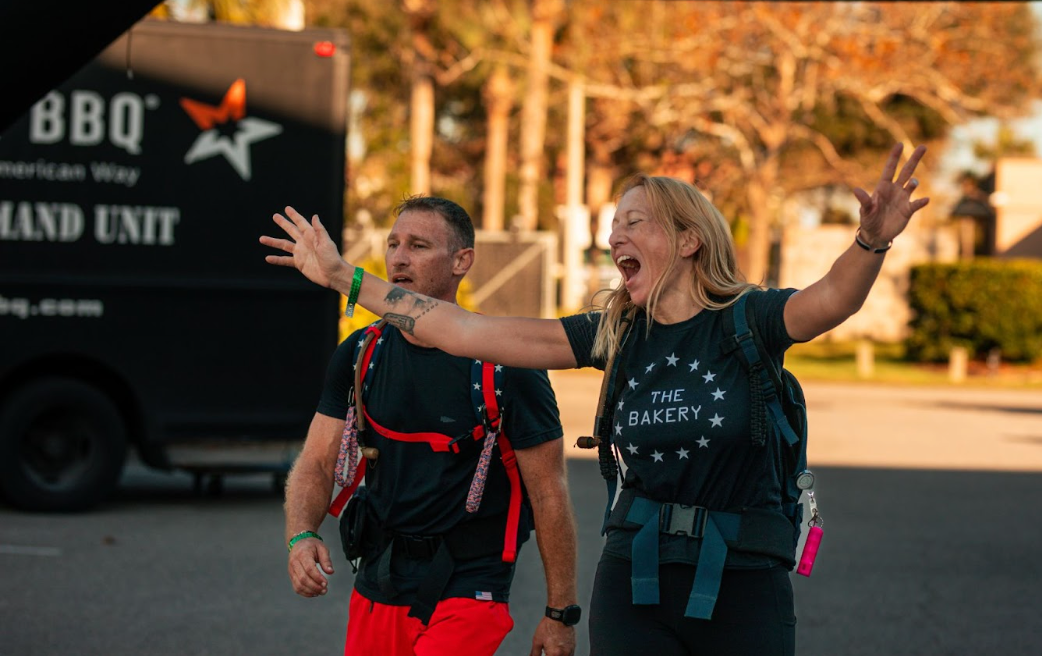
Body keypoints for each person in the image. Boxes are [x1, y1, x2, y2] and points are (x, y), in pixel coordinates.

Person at [263, 144, 928, 656]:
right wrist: (345, 277)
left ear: (689, 239)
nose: (615, 239)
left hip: (744, 578)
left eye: (634, 223)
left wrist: (871, 240)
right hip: (633, 578)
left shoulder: (748, 321)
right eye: (613, 227)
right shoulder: (613, 332)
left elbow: (832, 299)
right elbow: (461, 330)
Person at [281, 196, 578, 656]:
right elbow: (317, 462)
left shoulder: (508, 364)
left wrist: (560, 614)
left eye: (418, 246)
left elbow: (549, 493)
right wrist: (301, 535)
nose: (399, 258)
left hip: (471, 585)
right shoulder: (361, 353)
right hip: (380, 577)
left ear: (462, 261)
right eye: (393, 244)